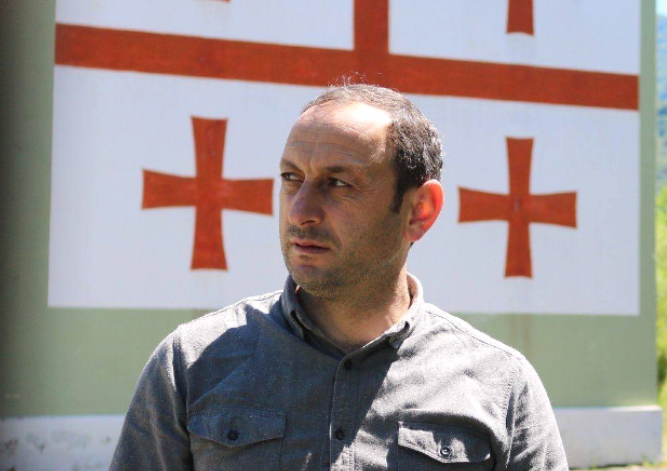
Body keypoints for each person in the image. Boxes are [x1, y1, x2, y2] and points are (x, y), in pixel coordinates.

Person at [110, 84, 568, 470]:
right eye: (292, 177)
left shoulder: (500, 386)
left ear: (419, 211)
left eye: (339, 183)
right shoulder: (192, 363)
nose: (300, 211)